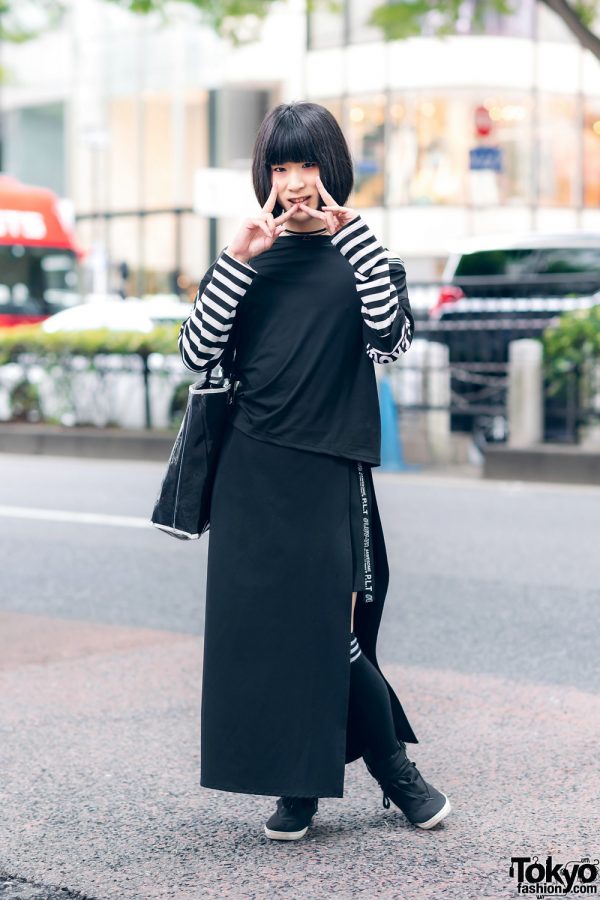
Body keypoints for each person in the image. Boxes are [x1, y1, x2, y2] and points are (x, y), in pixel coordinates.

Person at [178, 101, 451, 841]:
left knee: (334, 630)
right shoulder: (247, 259)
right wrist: (239, 261)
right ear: (264, 175)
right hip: (251, 472)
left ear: (333, 170)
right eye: (281, 166)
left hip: (330, 468)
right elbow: (195, 355)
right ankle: (296, 788)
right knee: (267, 632)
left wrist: (354, 238)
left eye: (308, 166)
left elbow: (391, 342)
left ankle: (395, 772)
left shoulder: (365, 258)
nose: (296, 182)